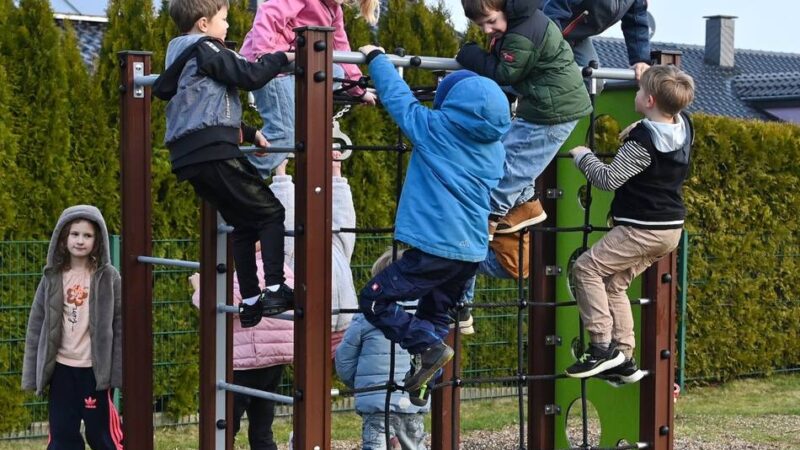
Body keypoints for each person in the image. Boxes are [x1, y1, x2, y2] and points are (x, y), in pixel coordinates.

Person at [355, 44, 510, 405]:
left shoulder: (435, 129)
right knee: (435, 312)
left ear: (450, 105)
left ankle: (427, 350)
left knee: (374, 300)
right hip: (470, 253)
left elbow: (399, 100)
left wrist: (377, 58)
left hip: (435, 249)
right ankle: (425, 376)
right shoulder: (496, 148)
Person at [153, 0, 295, 329]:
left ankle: (249, 301)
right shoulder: (206, 49)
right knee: (271, 213)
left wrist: (248, 132)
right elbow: (248, 76)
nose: (228, 26)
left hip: (191, 156)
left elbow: (201, 107)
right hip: (212, 152)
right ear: (203, 23)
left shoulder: (180, 55)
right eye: (224, 19)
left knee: (244, 224)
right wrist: (280, 58)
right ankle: (274, 289)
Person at [565, 65, 695, 383]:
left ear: (649, 100)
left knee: (586, 269)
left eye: (639, 92)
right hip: (670, 229)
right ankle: (624, 357)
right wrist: (644, 120)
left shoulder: (641, 142)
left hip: (641, 228)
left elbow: (608, 179)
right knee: (615, 284)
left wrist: (583, 155)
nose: (635, 95)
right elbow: (663, 125)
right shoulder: (685, 125)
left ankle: (600, 348)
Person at [456, 0, 592, 241]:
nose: (487, 30)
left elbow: (504, 73)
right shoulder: (521, 20)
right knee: (509, 154)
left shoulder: (521, 33)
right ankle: (527, 203)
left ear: (505, 10)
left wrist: (469, 55)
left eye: (490, 21)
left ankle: (489, 216)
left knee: (512, 164)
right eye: (481, 25)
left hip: (552, 111)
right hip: (546, 105)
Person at [22, 205, 123, 449]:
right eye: (74, 234)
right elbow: (36, 325)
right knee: (62, 434)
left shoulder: (109, 277)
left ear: (97, 240)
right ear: (63, 237)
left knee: (102, 435)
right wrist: (31, 372)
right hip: (61, 371)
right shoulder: (52, 277)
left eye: (87, 235)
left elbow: (120, 325)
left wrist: (118, 372)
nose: (80, 241)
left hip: (94, 373)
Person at [239, 0, 379, 177]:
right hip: (274, 69)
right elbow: (268, 13)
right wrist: (266, 56)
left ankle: (241, 181)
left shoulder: (334, 10)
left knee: (333, 71)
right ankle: (243, 180)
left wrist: (358, 87)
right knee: (283, 134)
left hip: (295, 68)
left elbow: (341, 48)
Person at [189, 252, 294, 450]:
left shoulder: (249, 270)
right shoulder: (282, 269)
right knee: (262, 430)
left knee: (224, 427)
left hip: (246, 361)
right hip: (275, 359)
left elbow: (222, 306)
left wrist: (199, 288)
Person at [336, 248, 430, 450]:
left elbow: (344, 360)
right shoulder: (423, 313)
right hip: (413, 399)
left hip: (377, 401)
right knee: (414, 444)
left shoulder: (366, 316)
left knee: (376, 444)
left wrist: (363, 384)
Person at [268, 153, 358, 350]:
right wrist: (281, 174)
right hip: (306, 324)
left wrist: (336, 171)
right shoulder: (291, 253)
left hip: (343, 324)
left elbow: (344, 219)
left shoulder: (336, 248)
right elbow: (286, 221)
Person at [541, 0, 651, 81]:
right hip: (546, 27)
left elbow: (636, 23)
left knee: (594, 81)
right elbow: (555, 9)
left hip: (577, 36)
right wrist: (550, 44)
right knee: (544, 72)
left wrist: (640, 59)